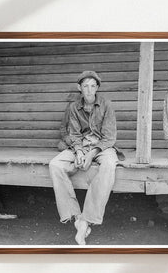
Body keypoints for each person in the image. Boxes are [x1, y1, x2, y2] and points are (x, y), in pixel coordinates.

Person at [49, 71, 121, 245]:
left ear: (97, 88)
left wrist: (92, 153)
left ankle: (87, 218)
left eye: (93, 86)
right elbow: (73, 133)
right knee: (55, 164)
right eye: (85, 86)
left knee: (109, 165)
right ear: (79, 88)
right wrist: (80, 152)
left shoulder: (106, 105)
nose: (89, 90)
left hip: (102, 146)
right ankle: (75, 217)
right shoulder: (74, 107)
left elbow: (110, 137)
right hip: (79, 145)